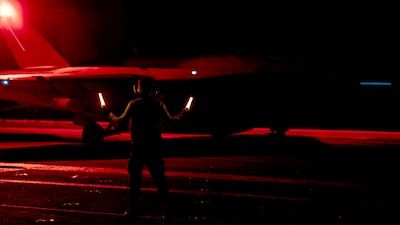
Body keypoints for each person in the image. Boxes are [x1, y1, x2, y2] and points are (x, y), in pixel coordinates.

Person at [102, 77, 187, 224]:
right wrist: (184, 112)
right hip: (154, 147)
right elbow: (172, 122)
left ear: (138, 89)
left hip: (138, 147)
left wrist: (108, 113)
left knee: (135, 183)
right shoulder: (158, 104)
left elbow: (120, 121)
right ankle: (167, 213)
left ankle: (134, 213)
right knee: (160, 181)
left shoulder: (134, 104)